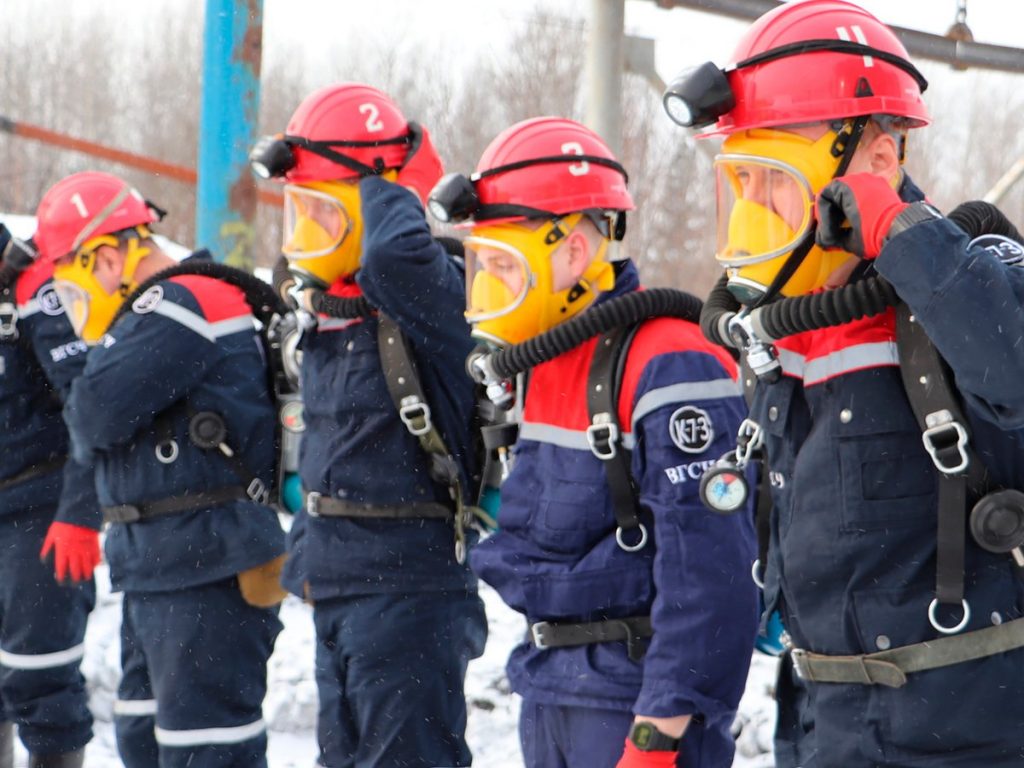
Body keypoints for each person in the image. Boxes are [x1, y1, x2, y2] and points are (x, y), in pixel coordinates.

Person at [663, 1, 1024, 765]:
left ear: (880, 160)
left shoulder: (975, 276)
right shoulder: (788, 323)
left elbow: (1013, 371)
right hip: (821, 721)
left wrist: (899, 232)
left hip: (964, 731)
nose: (754, 208)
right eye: (742, 181)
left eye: (774, 180)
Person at [428, 116, 759, 768]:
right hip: (551, 686)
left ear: (574, 252)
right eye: (482, 265)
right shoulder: (540, 361)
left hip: (633, 703)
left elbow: (711, 572)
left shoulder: (670, 359)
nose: (488, 286)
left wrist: (658, 733)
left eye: (504, 265)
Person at [250, 83, 487, 767]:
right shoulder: (332, 310)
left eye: (324, 213)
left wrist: (392, 179)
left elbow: (394, 257)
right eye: (300, 212)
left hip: (409, 591)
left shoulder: (431, 293)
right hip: (340, 582)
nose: (304, 237)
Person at [33, 171, 286, 768]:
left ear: (106, 257)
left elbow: (93, 414)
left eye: (71, 283)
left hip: (206, 564)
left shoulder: (181, 302)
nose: (73, 305)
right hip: (165, 564)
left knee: (205, 752)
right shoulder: (155, 312)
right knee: (143, 739)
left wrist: (91, 368)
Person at [0, 224, 98, 767]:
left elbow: (90, 406)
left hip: (38, 508)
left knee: (41, 680)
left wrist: (80, 513)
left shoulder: (34, 287)